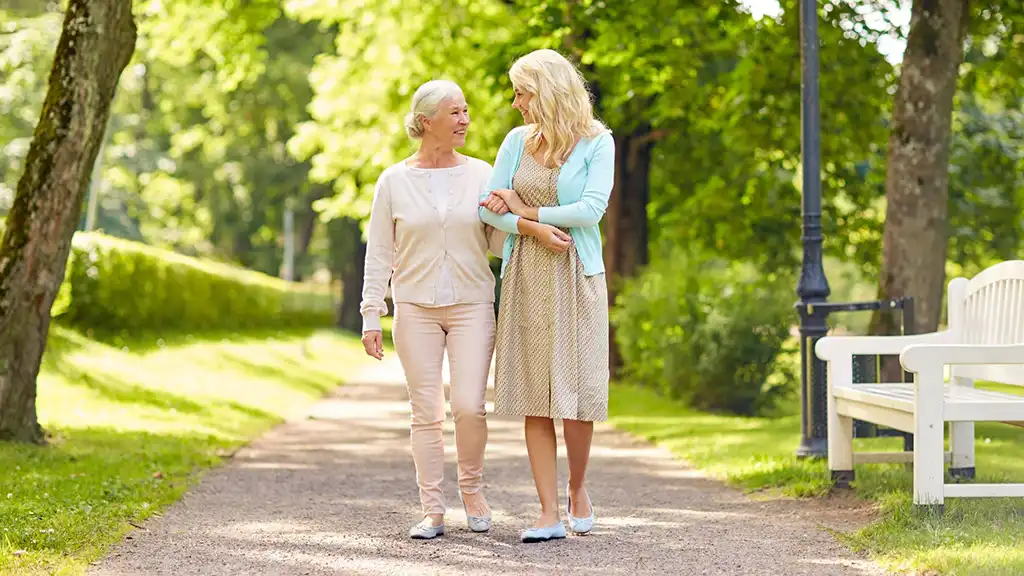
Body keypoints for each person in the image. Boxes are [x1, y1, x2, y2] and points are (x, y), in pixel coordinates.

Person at [479, 49, 615, 544]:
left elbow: (591, 210)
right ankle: (547, 512)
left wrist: (527, 211)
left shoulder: (599, 143)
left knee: (576, 396)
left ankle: (578, 490)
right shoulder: (516, 141)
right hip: (526, 274)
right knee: (537, 396)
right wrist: (526, 227)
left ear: (549, 91)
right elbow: (489, 207)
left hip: (578, 275)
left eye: (522, 92)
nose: (515, 102)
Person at [360, 79, 505, 540]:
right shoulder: (394, 180)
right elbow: (379, 251)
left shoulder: (483, 173)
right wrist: (370, 313)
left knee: (469, 406)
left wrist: (511, 211)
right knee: (425, 412)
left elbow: (499, 245)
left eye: (466, 111)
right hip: (415, 308)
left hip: (472, 303)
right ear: (426, 122)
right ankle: (432, 509)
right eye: (455, 112)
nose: (465, 120)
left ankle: (472, 490)